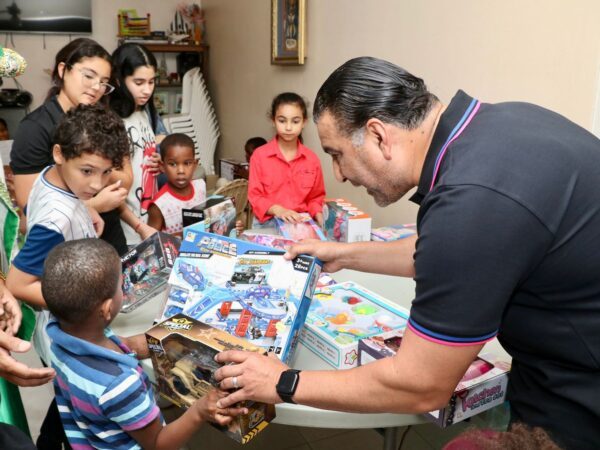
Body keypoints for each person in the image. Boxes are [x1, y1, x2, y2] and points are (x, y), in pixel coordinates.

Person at [214, 57, 600, 450]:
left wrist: (281, 381)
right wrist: (345, 254)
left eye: (337, 154)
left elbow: (420, 386)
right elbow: (442, 253)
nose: (340, 174)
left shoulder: (470, 201)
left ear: (379, 136)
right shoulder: (496, 127)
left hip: (580, 399)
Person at [6, 104, 130, 450]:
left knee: (70, 397)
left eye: (105, 173)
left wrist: (86, 208)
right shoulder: (54, 222)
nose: (97, 183)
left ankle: (49, 440)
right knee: (80, 395)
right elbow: (18, 284)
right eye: (88, 171)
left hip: (70, 311)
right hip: (66, 325)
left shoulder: (55, 176)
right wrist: (83, 303)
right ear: (59, 153)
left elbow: (58, 201)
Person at [42, 238, 243, 449]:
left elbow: (116, 345)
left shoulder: (59, 335)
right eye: (121, 285)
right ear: (108, 308)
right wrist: (199, 410)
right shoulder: (120, 384)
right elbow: (158, 444)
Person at [8, 38, 130, 253]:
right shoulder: (35, 128)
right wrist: (94, 205)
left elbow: (125, 180)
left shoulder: (103, 119)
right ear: (63, 70)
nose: (96, 87)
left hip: (111, 240)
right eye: (89, 76)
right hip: (68, 252)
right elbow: (33, 212)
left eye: (103, 82)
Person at [110, 43, 167, 246]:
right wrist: (138, 226)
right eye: (139, 82)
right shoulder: (110, 119)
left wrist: (158, 163)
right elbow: (108, 185)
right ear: (119, 80)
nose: (147, 90)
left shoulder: (146, 112)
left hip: (149, 221)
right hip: (127, 228)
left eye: (151, 82)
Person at [248, 92, 325, 227]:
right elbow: (255, 197)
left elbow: (315, 198)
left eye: (295, 121)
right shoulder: (259, 156)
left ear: (304, 122)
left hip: (300, 223)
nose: (288, 127)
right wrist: (279, 210)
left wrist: (319, 216)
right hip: (267, 223)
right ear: (273, 121)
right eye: (282, 121)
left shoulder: (312, 160)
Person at [147, 133, 205, 236]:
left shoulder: (201, 186)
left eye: (187, 163)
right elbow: (150, 241)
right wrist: (181, 235)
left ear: (195, 165)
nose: (181, 171)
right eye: (172, 164)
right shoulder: (159, 205)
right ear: (162, 166)